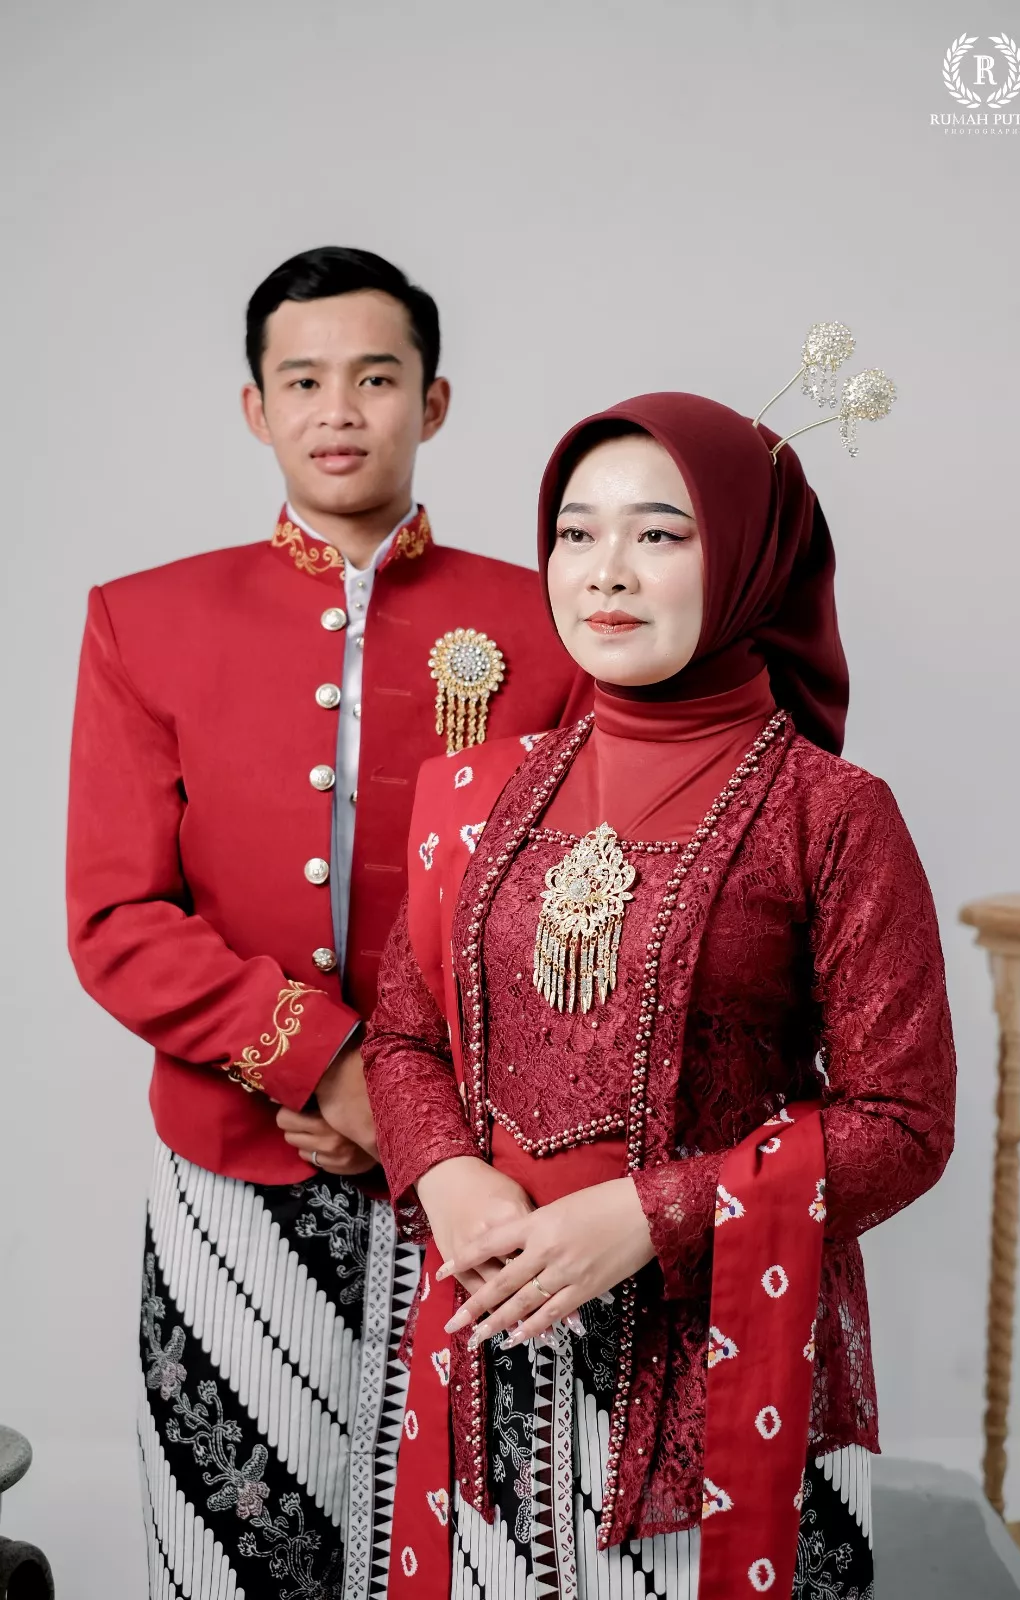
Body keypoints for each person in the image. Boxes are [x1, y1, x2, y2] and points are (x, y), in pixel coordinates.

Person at [362, 393, 957, 1599]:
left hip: (724, 1381)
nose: (606, 572)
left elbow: (903, 1121)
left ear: (745, 561)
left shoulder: (831, 814)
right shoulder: (481, 791)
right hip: (494, 1369)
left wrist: (653, 1215)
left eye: (659, 534)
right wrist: (447, 1173)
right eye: (575, 534)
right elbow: (405, 1036)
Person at [66, 246, 589, 1600]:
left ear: (435, 400)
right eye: (302, 381)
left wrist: (413, 1105)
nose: (338, 409)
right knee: (238, 1551)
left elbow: (583, 904)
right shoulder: (142, 620)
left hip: (485, 1175)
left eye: (375, 377)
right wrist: (326, 1063)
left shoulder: (546, 619)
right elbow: (116, 917)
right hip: (233, 1162)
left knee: (480, 1554)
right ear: (256, 409)